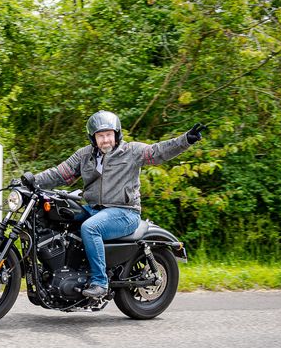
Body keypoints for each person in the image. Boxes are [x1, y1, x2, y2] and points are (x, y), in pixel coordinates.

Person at [33, 110, 206, 298]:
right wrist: (30, 181)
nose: (105, 140)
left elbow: (159, 152)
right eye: (100, 136)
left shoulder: (131, 151)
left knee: (90, 229)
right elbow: (59, 173)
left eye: (109, 134)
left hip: (124, 212)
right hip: (93, 209)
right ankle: (66, 273)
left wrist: (186, 140)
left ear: (117, 134)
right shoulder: (85, 155)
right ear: (93, 138)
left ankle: (100, 282)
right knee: (57, 216)